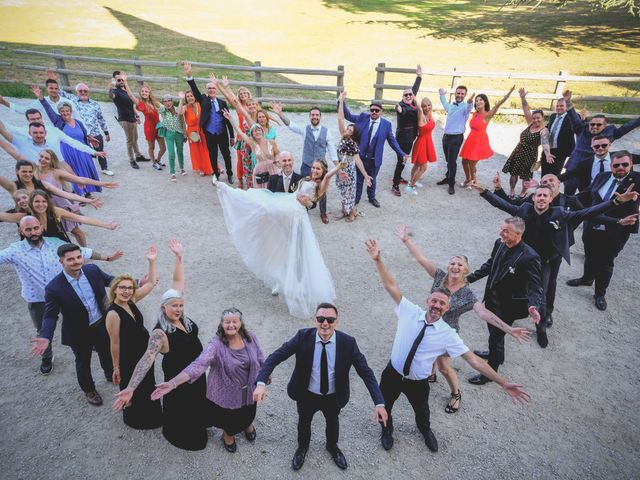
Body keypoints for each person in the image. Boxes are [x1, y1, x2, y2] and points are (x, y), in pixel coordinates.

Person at [365, 238, 531, 453]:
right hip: (392, 374)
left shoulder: (449, 333)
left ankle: (425, 429)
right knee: (386, 404)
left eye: (442, 303)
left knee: (423, 409)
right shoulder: (410, 311)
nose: (436, 305)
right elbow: (391, 285)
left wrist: (503, 382)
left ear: (448, 307)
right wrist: (378, 259)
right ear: (427, 300)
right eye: (434, 301)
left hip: (417, 382)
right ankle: (386, 430)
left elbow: (474, 360)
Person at [471, 181, 637, 347]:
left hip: (545, 261)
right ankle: (506, 318)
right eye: (539, 195)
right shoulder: (524, 210)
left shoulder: (561, 214)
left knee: (541, 296)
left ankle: (541, 328)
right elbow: (503, 204)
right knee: (511, 287)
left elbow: (588, 213)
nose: (542, 198)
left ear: (551, 199)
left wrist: (616, 202)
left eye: (545, 195)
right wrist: (484, 191)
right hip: (522, 258)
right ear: (534, 198)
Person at [394, 225, 531, 413]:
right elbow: (421, 258)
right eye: (452, 263)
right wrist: (405, 240)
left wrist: (509, 329)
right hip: (430, 322)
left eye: (460, 264)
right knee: (425, 349)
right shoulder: (439, 276)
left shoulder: (467, 294)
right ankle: (430, 373)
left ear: (465, 270)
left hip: (446, 332)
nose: (455, 266)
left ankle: (456, 393)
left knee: (444, 367)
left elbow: (484, 314)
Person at [253, 302, 387, 471]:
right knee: (303, 422)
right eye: (321, 319)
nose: (325, 323)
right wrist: (261, 382)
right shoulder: (302, 337)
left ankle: (332, 447)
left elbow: (366, 373)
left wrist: (379, 403)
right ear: (315, 320)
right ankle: (302, 448)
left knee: (332, 422)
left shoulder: (348, 343)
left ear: (336, 322)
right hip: (306, 394)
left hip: (333, 396)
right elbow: (275, 357)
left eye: (330, 320)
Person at [113, 240, 216, 450]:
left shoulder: (183, 318)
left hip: (195, 372)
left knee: (198, 400)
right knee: (182, 407)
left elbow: (178, 282)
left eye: (180, 305)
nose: (178, 309)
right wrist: (131, 387)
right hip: (178, 377)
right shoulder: (160, 333)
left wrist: (179, 258)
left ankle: (199, 422)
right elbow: (146, 360)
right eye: (173, 306)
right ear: (163, 307)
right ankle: (180, 433)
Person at [215, 160, 341, 318]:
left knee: (265, 208)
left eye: (318, 169)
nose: (315, 170)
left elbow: (323, 185)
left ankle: (297, 286)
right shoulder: (305, 180)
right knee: (260, 203)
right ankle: (226, 190)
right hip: (289, 208)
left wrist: (338, 167)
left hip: (297, 216)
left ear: (323, 172)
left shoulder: (320, 185)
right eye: (314, 167)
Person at [1, 216, 118, 375]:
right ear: (21, 231)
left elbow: (82, 252)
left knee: (81, 318)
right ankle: (46, 357)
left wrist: (108, 257)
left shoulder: (55, 242)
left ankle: (89, 342)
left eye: (35, 228)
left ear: (41, 227)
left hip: (66, 293)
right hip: (38, 299)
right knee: (43, 331)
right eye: (28, 230)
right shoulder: (15, 250)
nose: (33, 232)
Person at [152, 308, 264, 453]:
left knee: (249, 410)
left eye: (235, 321)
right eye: (227, 322)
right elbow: (199, 364)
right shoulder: (216, 345)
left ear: (241, 323)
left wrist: (263, 375)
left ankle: (247, 424)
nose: (231, 325)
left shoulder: (251, 337)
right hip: (229, 392)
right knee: (231, 417)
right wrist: (173, 383)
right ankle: (228, 435)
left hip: (250, 387)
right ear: (222, 324)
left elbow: (260, 356)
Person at [30, 242, 125, 405]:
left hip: (101, 324)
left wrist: (137, 282)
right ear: (62, 262)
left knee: (106, 350)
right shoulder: (54, 288)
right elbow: (50, 316)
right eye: (70, 259)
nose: (76, 261)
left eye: (79, 257)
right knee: (83, 362)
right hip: (78, 332)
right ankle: (89, 390)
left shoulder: (92, 270)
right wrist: (45, 336)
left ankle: (110, 373)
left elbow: (110, 281)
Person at [492, 173, 584, 326]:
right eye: (544, 181)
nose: (548, 183)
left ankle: (546, 314)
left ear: (558, 182)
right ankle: (515, 309)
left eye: (551, 180)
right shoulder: (533, 201)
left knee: (548, 285)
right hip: (529, 252)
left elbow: (583, 214)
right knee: (520, 280)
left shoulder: (569, 201)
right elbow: (512, 206)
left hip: (551, 255)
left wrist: (567, 232)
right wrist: (499, 189)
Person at [465, 217, 542, 383]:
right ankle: (497, 355)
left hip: (509, 306)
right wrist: (469, 279)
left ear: (518, 234)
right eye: (501, 229)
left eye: (506, 231)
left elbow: (536, 286)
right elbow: (491, 263)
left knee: (495, 338)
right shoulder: (499, 243)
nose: (501, 233)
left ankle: (490, 373)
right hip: (491, 299)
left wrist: (533, 305)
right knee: (494, 334)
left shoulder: (530, 257)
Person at [566, 150, 640, 310]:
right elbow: (586, 195)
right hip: (592, 225)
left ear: (631, 164)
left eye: (625, 164)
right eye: (616, 165)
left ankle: (600, 293)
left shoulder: (637, 180)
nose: (620, 167)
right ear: (611, 165)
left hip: (618, 228)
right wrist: (561, 199)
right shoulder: (603, 176)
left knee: (606, 261)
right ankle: (587, 279)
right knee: (590, 253)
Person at [104, 246, 162, 430]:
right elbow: (114, 343)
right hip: (129, 357)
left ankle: (151, 415)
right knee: (133, 385)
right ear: (115, 290)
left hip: (143, 352)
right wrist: (115, 367)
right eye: (122, 288)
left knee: (147, 382)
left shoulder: (132, 301)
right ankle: (135, 418)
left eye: (129, 288)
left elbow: (151, 283)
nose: (127, 291)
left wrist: (152, 261)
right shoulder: (113, 314)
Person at [270, 101, 338, 223]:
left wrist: (338, 166)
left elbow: (332, 149)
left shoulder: (326, 132)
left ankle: (323, 212)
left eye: (317, 115)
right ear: (309, 116)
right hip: (306, 165)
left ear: (320, 117)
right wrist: (280, 114)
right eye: (312, 115)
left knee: (321, 191)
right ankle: (303, 210)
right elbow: (291, 125)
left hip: (320, 167)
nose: (315, 117)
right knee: (303, 188)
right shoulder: (305, 129)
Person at [563, 90, 640, 194]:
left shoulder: (610, 132)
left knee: (587, 193)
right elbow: (573, 117)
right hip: (576, 164)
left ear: (604, 126)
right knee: (569, 190)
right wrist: (568, 101)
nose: (594, 126)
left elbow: (628, 127)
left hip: (595, 167)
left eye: (598, 125)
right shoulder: (581, 128)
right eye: (592, 124)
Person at [35, 86, 103, 198]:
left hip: (82, 150)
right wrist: (41, 98)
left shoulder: (78, 122)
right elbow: (48, 109)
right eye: (62, 111)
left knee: (85, 170)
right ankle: (79, 195)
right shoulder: (59, 122)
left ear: (71, 111)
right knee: (75, 172)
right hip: (69, 152)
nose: (65, 113)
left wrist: (91, 139)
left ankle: (88, 192)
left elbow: (84, 134)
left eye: (67, 111)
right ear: (60, 113)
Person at [341, 95, 408, 208]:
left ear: (381, 111)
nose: (374, 112)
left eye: (377, 110)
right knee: (359, 180)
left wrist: (401, 153)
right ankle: (356, 199)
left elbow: (392, 141)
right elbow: (348, 116)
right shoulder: (363, 117)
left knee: (373, 179)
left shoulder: (386, 125)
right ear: (369, 110)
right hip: (361, 158)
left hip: (375, 159)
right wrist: (341, 102)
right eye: (372, 110)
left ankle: (371, 198)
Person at [48, 72, 114, 175]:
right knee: (83, 151)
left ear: (88, 92)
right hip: (80, 132)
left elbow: (101, 118)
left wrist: (106, 132)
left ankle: (104, 168)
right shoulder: (73, 100)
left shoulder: (95, 103)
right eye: (80, 90)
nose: (83, 92)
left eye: (85, 90)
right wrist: (53, 80)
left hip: (95, 131)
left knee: (100, 149)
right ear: (76, 92)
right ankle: (85, 169)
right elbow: (59, 91)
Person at [183, 63, 235, 182]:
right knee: (213, 155)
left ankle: (230, 174)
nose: (211, 90)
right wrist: (189, 75)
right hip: (210, 133)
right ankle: (215, 174)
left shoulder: (222, 103)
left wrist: (231, 136)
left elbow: (228, 121)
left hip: (222, 133)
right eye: (209, 88)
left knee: (227, 155)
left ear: (216, 90)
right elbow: (195, 90)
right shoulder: (204, 100)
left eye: (213, 88)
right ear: (207, 90)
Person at [459, 87, 515, 189]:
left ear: (485, 102)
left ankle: (473, 181)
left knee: (472, 163)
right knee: (464, 161)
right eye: (477, 100)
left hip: (479, 142)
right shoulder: (475, 113)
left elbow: (497, 106)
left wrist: (506, 97)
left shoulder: (487, 115)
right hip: (471, 140)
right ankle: (468, 179)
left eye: (481, 100)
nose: (478, 101)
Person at [501, 88, 553, 197]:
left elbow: (544, 143)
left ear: (543, 118)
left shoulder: (544, 130)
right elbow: (526, 109)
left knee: (526, 176)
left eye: (538, 118)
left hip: (530, 155)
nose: (536, 120)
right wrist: (523, 98)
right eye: (534, 118)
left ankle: (523, 192)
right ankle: (511, 190)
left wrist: (548, 154)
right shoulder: (531, 123)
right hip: (518, 151)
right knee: (513, 173)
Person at [0, 158, 103, 210]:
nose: (28, 174)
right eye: (24, 172)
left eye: (30, 171)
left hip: (46, 216)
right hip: (29, 223)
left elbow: (66, 194)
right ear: (17, 171)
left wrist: (88, 201)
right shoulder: (13, 186)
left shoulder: (41, 183)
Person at [26, 189, 119, 243]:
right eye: (37, 201)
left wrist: (106, 225)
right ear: (31, 203)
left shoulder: (54, 211)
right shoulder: (26, 217)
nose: (41, 204)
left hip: (60, 244)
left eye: (44, 201)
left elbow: (80, 218)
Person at [335, 91, 371, 221]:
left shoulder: (354, 144)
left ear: (353, 134)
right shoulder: (342, 137)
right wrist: (341, 101)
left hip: (350, 171)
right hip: (340, 168)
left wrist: (366, 176)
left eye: (350, 130)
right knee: (342, 191)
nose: (347, 130)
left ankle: (352, 212)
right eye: (347, 128)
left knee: (350, 193)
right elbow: (340, 118)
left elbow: (358, 160)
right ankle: (345, 210)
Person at [222, 109, 280, 189]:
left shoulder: (271, 142)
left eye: (259, 130)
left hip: (272, 169)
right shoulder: (252, 143)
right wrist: (230, 118)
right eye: (254, 131)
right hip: (260, 171)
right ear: (252, 134)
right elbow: (240, 132)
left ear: (262, 131)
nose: (257, 132)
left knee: (274, 189)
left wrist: (277, 160)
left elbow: (277, 153)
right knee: (261, 191)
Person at [121, 74, 166, 171]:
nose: (144, 92)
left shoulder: (154, 102)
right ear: (140, 94)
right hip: (149, 127)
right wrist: (125, 82)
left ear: (149, 93)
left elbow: (164, 108)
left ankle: (157, 160)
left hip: (159, 126)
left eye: (146, 91)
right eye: (142, 91)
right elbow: (130, 95)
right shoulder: (140, 104)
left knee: (163, 148)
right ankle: (154, 163)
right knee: (152, 146)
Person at [392, 64, 422, 197]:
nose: (409, 96)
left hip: (410, 138)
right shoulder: (402, 106)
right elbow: (402, 112)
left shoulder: (412, 101)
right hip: (403, 138)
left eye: (410, 94)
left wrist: (419, 77)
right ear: (403, 97)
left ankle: (397, 178)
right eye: (406, 95)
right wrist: (399, 109)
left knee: (402, 160)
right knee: (402, 160)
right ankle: (395, 184)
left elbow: (414, 89)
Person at [436, 85, 473, 192]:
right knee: (448, 160)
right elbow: (445, 104)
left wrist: (470, 102)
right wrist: (442, 95)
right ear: (455, 93)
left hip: (456, 138)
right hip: (446, 137)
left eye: (462, 94)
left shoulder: (466, 107)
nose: (460, 95)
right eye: (458, 93)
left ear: (465, 95)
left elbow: (469, 108)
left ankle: (451, 183)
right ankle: (448, 177)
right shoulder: (451, 106)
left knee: (452, 162)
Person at [110, 71, 148, 169]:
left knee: (135, 138)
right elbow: (111, 96)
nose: (121, 81)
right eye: (119, 80)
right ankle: (132, 160)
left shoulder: (125, 89)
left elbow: (131, 105)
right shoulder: (115, 91)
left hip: (132, 118)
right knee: (130, 141)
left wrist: (137, 115)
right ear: (115, 80)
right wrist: (110, 88)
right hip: (125, 120)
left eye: (122, 79)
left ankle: (138, 155)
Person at [178, 90, 213, 176]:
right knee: (196, 151)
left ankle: (211, 167)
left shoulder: (199, 104)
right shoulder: (185, 107)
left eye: (191, 96)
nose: (190, 98)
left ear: (194, 97)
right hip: (192, 132)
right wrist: (181, 100)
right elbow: (179, 113)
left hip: (202, 129)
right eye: (188, 97)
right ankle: (201, 168)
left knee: (206, 149)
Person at [406, 97, 436, 195]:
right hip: (422, 144)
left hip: (428, 142)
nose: (427, 108)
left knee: (418, 165)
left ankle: (412, 181)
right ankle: (411, 185)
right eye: (424, 106)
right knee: (423, 167)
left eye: (428, 105)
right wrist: (414, 98)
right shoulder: (421, 115)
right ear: (421, 108)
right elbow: (418, 107)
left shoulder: (430, 115)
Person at [544, 93, 574, 177]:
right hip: (549, 149)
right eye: (557, 106)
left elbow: (577, 122)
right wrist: (545, 128)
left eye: (561, 106)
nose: (559, 108)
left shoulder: (569, 117)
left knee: (555, 175)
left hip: (561, 151)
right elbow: (549, 126)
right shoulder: (553, 116)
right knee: (545, 172)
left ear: (566, 107)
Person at [157, 94, 186, 182]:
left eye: (169, 100)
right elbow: (156, 103)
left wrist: (185, 133)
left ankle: (182, 168)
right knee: (171, 153)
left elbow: (182, 122)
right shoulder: (163, 111)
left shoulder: (178, 109)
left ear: (172, 101)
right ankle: (172, 172)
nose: (167, 103)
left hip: (179, 133)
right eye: (165, 101)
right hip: (169, 134)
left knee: (180, 151)